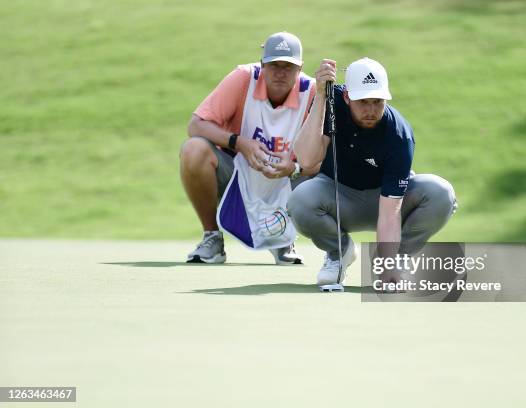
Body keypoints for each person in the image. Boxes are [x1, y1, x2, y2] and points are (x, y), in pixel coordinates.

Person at [289, 57, 457, 285]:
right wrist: (319, 95)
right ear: (347, 97)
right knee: (300, 198)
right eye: (363, 101)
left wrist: (385, 268)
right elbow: (307, 160)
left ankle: (396, 260)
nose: (370, 110)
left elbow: (390, 212)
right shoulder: (331, 102)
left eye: (377, 101)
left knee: (440, 192)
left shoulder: (398, 134)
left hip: (385, 202)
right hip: (339, 197)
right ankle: (340, 252)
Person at [180, 32, 316, 264]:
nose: (281, 72)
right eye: (274, 65)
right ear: (263, 64)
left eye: (288, 66)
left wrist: (294, 167)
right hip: (235, 171)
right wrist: (239, 143)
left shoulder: (313, 92)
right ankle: (212, 237)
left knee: (328, 171)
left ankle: (283, 240)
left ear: (300, 68)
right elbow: (196, 126)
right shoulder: (243, 78)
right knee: (193, 150)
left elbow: (325, 154)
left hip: (288, 178)